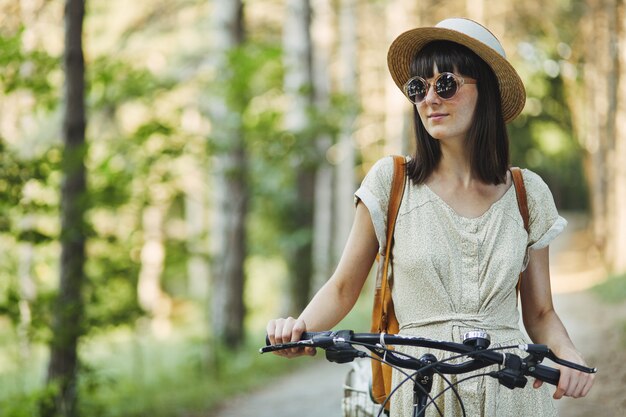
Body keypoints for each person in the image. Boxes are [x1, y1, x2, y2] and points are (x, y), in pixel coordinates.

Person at [267, 18, 594, 416]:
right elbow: (342, 287)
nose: (429, 100)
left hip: (511, 390)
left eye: (446, 84)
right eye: (418, 88)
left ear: (485, 90)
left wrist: (569, 354)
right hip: (421, 384)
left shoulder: (527, 193)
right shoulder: (392, 181)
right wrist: (296, 330)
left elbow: (540, 313)